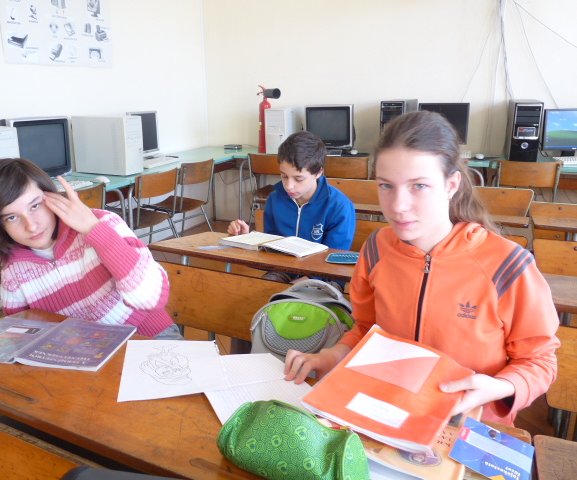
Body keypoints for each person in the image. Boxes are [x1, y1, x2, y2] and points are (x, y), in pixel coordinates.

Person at [284, 111, 560, 426]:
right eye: (386, 185)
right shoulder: (376, 249)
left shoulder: (507, 265)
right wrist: (329, 356)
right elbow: (367, 330)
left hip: (467, 427)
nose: (398, 205)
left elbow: (538, 360)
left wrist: (501, 387)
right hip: (386, 416)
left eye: (419, 185)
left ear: (451, 184)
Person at [0, 158, 182, 340]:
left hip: (147, 336)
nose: (31, 226)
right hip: (89, 355)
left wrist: (95, 230)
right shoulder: (13, 272)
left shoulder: (104, 223)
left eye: (35, 206)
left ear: (51, 196)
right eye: (12, 217)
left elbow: (151, 299)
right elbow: (22, 335)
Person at [228, 130, 356, 285]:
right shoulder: (275, 199)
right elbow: (272, 251)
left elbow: (334, 260)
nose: (289, 186)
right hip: (284, 270)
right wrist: (246, 240)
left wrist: (307, 280)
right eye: (284, 176)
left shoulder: (339, 206)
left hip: (325, 276)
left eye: (298, 178)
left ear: (318, 172)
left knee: (300, 296)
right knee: (262, 290)